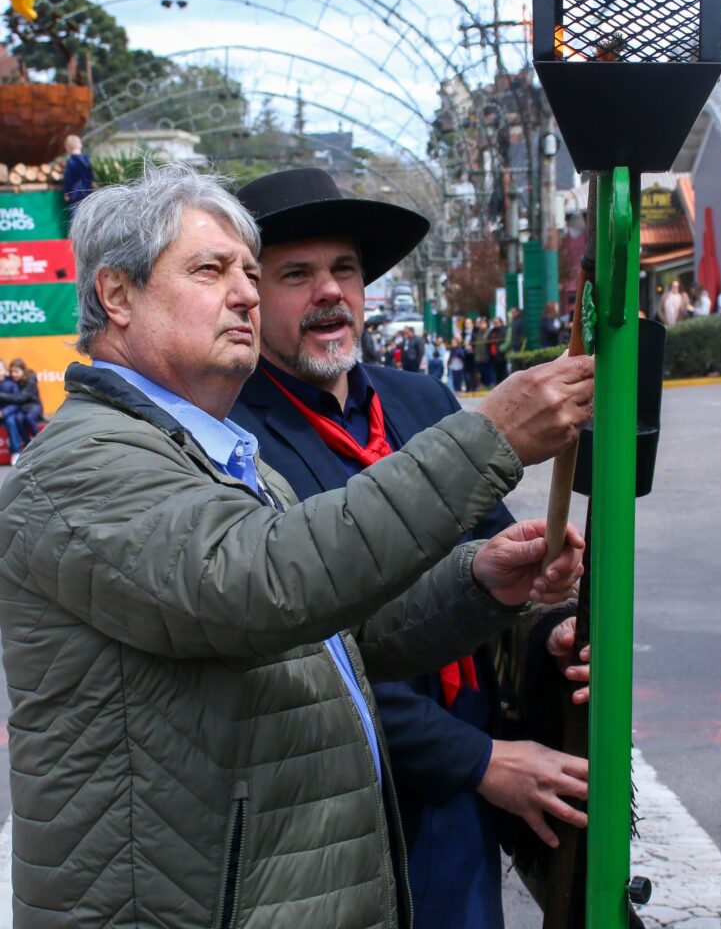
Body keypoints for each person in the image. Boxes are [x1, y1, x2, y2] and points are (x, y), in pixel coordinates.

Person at [0, 163, 593, 929]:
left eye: (249, 272)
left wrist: (480, 581)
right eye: (212, 270)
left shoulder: (215, 452)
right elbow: (262, 587)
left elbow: (335, 638)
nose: (244, 293)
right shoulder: (83, 463)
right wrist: (488, 438)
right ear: (117, 295)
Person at [232, 167, 592, 929]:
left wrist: (550, 626)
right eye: (297, 274)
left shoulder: (422, 400)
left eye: (345, 270)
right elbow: (298, 658)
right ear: (250, 297)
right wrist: (477, 762)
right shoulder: (235, 440)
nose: (329, 292)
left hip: (467, 797)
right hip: (340, 810)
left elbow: (498, 568)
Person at [0, 356, 43, 464]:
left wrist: (3, 411)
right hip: (23, 408)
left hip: (31, 407)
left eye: (16, 371)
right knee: (19, 418)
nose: (14, 374)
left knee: (22, 418)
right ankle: (28, 445)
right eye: (12, 371)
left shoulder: (28, 380)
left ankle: (40, 442)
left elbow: (19, 399)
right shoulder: (15, 380)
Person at [62, 133, 94, 216]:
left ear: (68, 148)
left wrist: (66, 192)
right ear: (80, 146)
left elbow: (69, 178)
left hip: (76, 195)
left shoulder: (71, 162)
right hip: (88, 193)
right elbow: (91, 176)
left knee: (77, 219)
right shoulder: (87, 160)